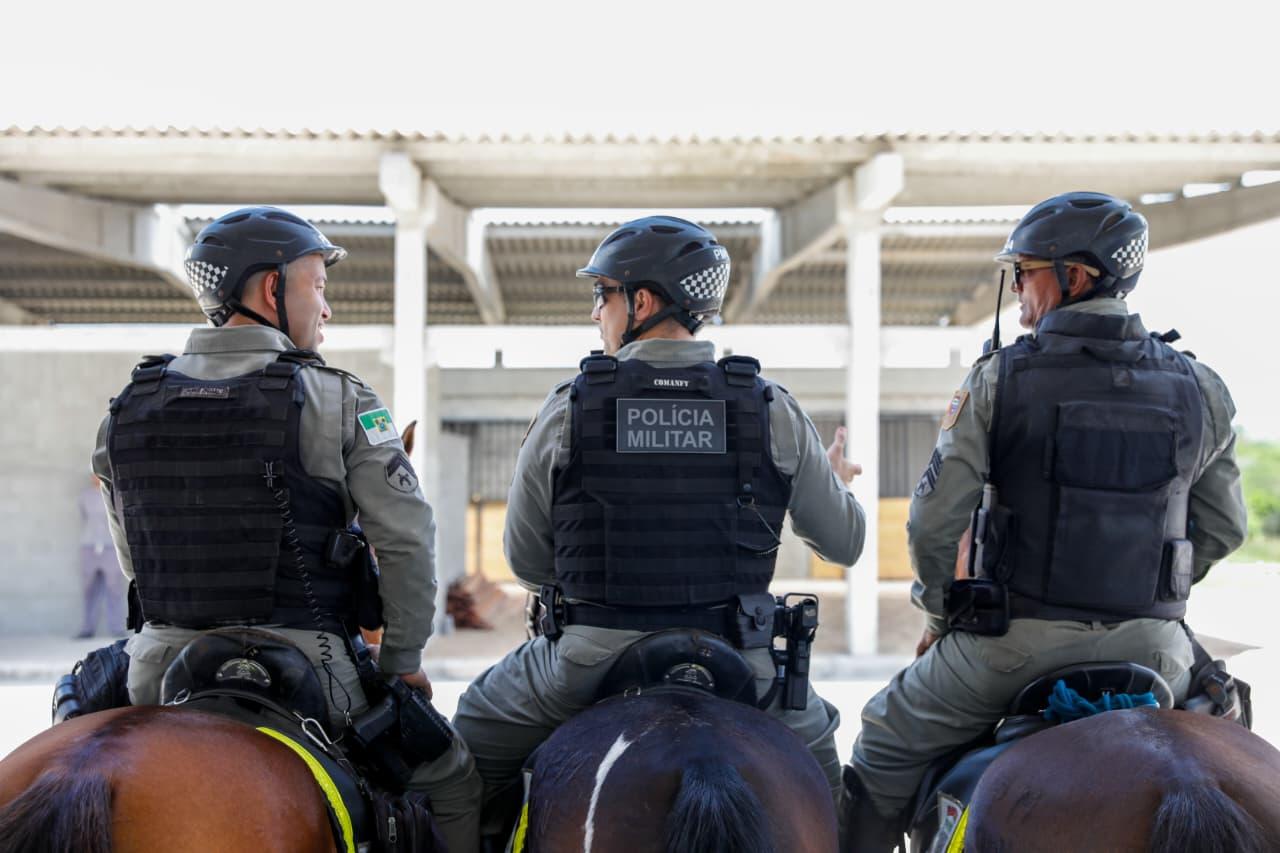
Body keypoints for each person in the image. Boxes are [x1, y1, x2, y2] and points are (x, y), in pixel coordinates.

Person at [841, 191, 1248, 851]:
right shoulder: (1201, 387)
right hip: (1155, 649)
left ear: (1075, 276)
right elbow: (1224, 525)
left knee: (885, 732)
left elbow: (933, 524)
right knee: (1233, 717)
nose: (1020, 292)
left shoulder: (999, 378)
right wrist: (1150, 587)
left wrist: (941, 618)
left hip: (1011, 646)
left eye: (1025, 272)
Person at [453, 215, 867, 832]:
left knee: (471, 734)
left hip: (588, 657)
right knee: (830, 787)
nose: (597, 313)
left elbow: (526, 560)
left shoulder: (571, 405)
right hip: (742, 657)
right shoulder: (770, 407)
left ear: (642, 301)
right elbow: (847, 542)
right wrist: (829, 481)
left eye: (604, 295)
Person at [90, 206, 482, 852]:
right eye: (318, 286)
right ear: (272, 289)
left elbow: (134, 552)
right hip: (312, 670)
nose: (325, 308)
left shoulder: (129, 407)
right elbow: (409, 539)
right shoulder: (341, 400)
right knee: (454, 778)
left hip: (156, 667)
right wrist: (403, 661)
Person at [75, 474, 126, 638]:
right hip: (89, 546)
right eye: (92, 475)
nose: (95, 478)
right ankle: (87, 628)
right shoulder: (85, 496)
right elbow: (84, 518)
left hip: (111, 547)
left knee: (114, 589)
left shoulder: (114, 494)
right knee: (89, 589)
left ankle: (117, 628)